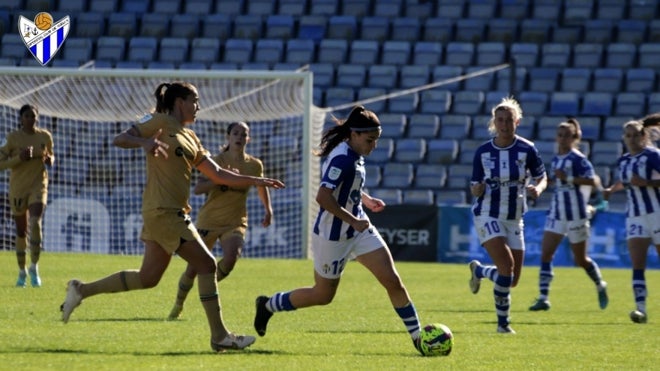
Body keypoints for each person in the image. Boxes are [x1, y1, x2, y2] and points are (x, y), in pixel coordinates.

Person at [59, 82, 285, 352]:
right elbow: (120, 138)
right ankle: (220, 336)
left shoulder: (191, 137)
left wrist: (258, 180)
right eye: (195, 100)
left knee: (148, 277)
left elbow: (218, 174)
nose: (199, 106)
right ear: (180, 102)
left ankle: (81, 290)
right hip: (163, 212)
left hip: (171, 212)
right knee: (207, 265)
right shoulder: (158, 121)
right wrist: (144, 142)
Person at [252, 105, 424, 354]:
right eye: (370, 139)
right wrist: (352, 220)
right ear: (353, 134)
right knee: (323, 295)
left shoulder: (354, 153)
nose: (374, 145)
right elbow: (323, 197)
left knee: (393, 280)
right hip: (332, 234)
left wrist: (365, 200)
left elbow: (347, 185)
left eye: (376, 139)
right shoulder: (343, 158)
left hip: (359, 229)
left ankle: (419, 338)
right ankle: (268, 305)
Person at [168, 121, 273, 320]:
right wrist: (223, 178)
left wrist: (268, 209)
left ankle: (208, 287)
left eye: (244, 134)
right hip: (209, 220)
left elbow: (261, 185)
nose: (240, 137)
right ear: (228, 137)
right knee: (192, 268)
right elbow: (198, 189)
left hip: (235, 221)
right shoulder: (217, 161)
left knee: (232, 257)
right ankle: (178, 304)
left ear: (248, 139)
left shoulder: (254, 164)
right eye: (236, 133)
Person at [467, 97, 547, 334]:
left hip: (515, 218)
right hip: (487, 214)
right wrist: (477, 189)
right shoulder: (483, 151)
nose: (504, 124)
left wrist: (539, 189)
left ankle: (480, 271)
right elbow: (474, 185)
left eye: (509, 120)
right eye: (500, 120)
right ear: (494, 122)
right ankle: (503, 325)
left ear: (517, 121)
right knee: (506, 265)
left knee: (511, 279)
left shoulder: (527, 149)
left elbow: (542, 176)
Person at [529, 118, 608, 312]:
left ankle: (600, 284)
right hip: (557, 214)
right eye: (560, 135)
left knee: (581, 260)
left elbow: (593, 181)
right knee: (546, 254)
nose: (563, 138)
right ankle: (543, 297)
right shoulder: (557, 158)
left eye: (566, 135)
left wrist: (569, 178)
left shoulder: (577, 158)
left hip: (576, 216)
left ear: (574, 137)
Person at [603, 116, 660, 324]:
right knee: (638, 264)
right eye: (629, 136)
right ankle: (641, 309)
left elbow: (643, 181)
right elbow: (626, 181)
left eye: (636, 135)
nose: (633, 139)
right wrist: (612, 189)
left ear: (644, 136)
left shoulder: (653, 156)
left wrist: (647, 182)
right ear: (624, 138)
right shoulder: (624, 160)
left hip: (657, 214)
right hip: (635, 217)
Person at [0, 104, 54, 288]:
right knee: (21, 231)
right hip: (18, 188)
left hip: (38, 185)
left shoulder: (45, 136)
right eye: (27, 116)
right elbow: (1, 164)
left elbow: (51, 157)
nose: (31, 119)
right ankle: (22, 271)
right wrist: (19, 158)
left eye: (34, 116)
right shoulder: (12, 138)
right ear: (21, 118)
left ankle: (34, 266)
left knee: (36, 223)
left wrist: (49, 160)